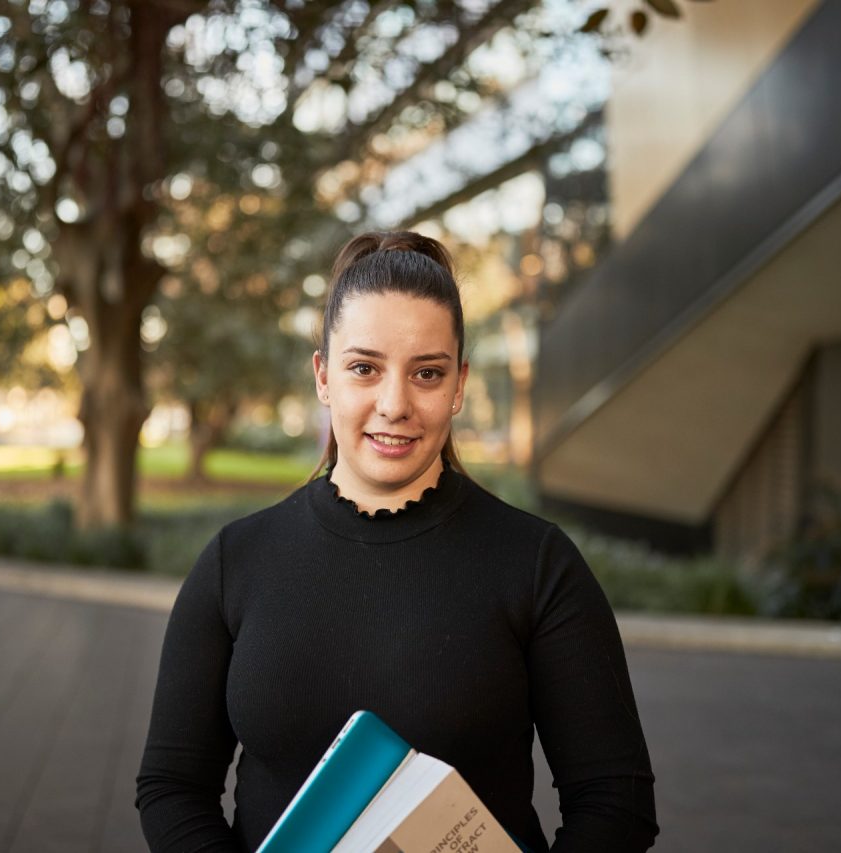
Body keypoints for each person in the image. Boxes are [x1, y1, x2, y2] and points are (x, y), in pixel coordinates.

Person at [136, 232, 659, 852]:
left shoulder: (538, 564)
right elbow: (172, 787)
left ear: (459, 385)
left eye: (427, 374)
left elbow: (616, 802)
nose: (395, 404)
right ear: (324, 377)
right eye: (364, 368)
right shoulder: (235, 561)